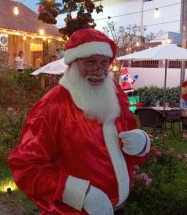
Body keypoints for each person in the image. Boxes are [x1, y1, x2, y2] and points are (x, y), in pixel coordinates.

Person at [8, 28, 150, 215]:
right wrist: (80, 194)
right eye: (90, 63)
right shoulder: (52, 107)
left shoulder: (115, 94)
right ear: (72, 64)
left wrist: (141, 143)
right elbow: (27, 168)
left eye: (104, 63)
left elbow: (125, 143)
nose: (99, 70)